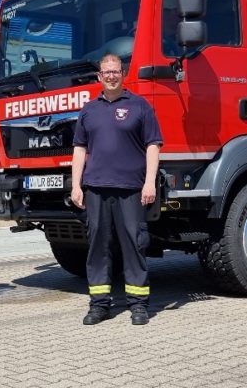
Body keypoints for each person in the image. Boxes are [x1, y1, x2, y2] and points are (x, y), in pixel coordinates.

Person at [71, 53, 162, 326]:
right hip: (96, 188)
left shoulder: (140, 106)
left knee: (134, 244)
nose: (111, 76)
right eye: (106, 72)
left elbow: (153, 145)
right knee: (98, 246)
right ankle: (99, 305)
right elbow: (79, 149)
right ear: (99, 77)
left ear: (123, 74)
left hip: (131, 189)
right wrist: (76, 185)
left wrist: (149, 182)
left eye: (115, 71)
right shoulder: (89, 110)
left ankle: (138, 305)